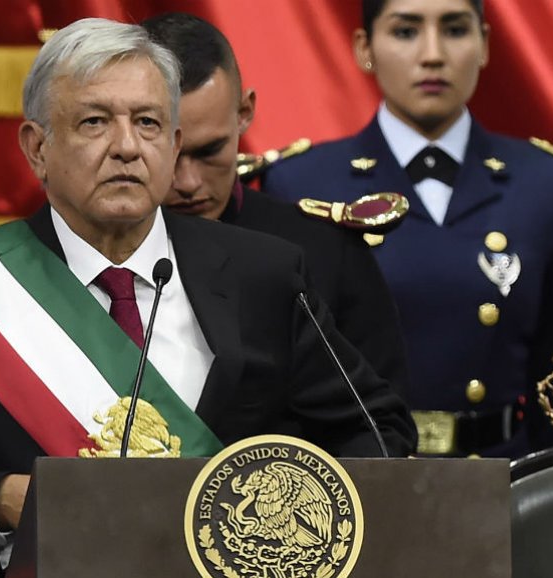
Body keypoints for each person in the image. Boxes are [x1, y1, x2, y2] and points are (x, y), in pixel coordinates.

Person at [0, 18, 416, 578]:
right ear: (37, 148)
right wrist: (5, 500)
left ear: (173, 142)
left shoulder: (264, 273)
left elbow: (379, 430)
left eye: (147, 123)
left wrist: (283, 524)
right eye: (94, 122)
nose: (126, 147)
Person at [262, 0, 553, 457]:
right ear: (364, 48)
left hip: (503, 474)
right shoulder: (302, 184)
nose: (432, 54)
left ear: (484, 44)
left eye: (455, 30)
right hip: (362, 474)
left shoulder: (545, 184)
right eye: (405, 31)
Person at [140, 12, 410, 397]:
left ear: (245, 113)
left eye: (210, 151)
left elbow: (381, 422)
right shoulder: (86, 250)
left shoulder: (326, 253)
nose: (188, 182)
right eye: (169, 153)